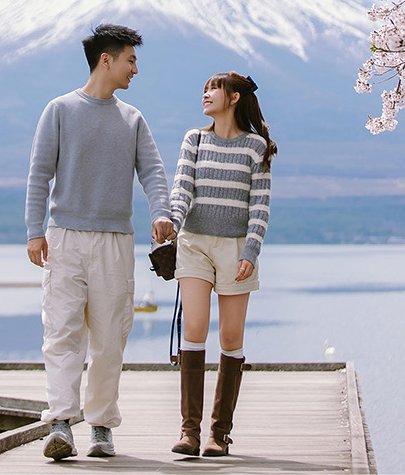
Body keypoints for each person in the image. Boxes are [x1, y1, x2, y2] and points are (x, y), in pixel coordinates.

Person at [25, 24, 176, 460]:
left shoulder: (132, 118)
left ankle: (102, 426)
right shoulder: (59, 110)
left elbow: (153, 171)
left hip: (115, 238)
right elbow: (39, 174)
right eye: (130, 60)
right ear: (105, 60)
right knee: (62, 331)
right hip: (64, 237)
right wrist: (35, 231)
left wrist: (161, 212)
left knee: (110, 336)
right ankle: (59, 422)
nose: (135, 69)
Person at [168, 72, 275, 458]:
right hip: (193, 244)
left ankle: (219, 433)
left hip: (235, 250)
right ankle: (190, 431)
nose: (205, 94)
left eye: (212, 89)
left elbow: (260, 206)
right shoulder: (194, 139)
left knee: (231, 339)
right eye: (204, 89)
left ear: (232, 97)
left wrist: (250, 251)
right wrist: (171, 222)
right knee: (194, 328)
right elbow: (181, 189)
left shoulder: (256, 147)